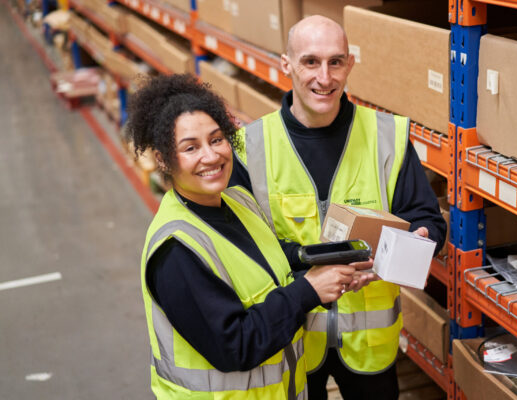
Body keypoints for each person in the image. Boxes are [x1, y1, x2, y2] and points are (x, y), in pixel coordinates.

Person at [230, 15, 448, 400]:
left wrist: (411, 245)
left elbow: (428, 220)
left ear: (350, 64)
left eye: (335, 61)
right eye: (310, 61)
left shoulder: (387, 136)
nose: (324, 77)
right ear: (287, 64)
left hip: (369, 343)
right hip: (292, 339)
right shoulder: (251, 146)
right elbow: (243, 248)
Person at [125, 73, 377, 399]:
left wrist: (325, 264)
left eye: (217, 139)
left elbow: (269, 258)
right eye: (191, 147)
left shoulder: (237, 200)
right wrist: (309, 289)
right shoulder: (176, 250)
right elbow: (236, 345)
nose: (211, 156)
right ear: (163, 159)